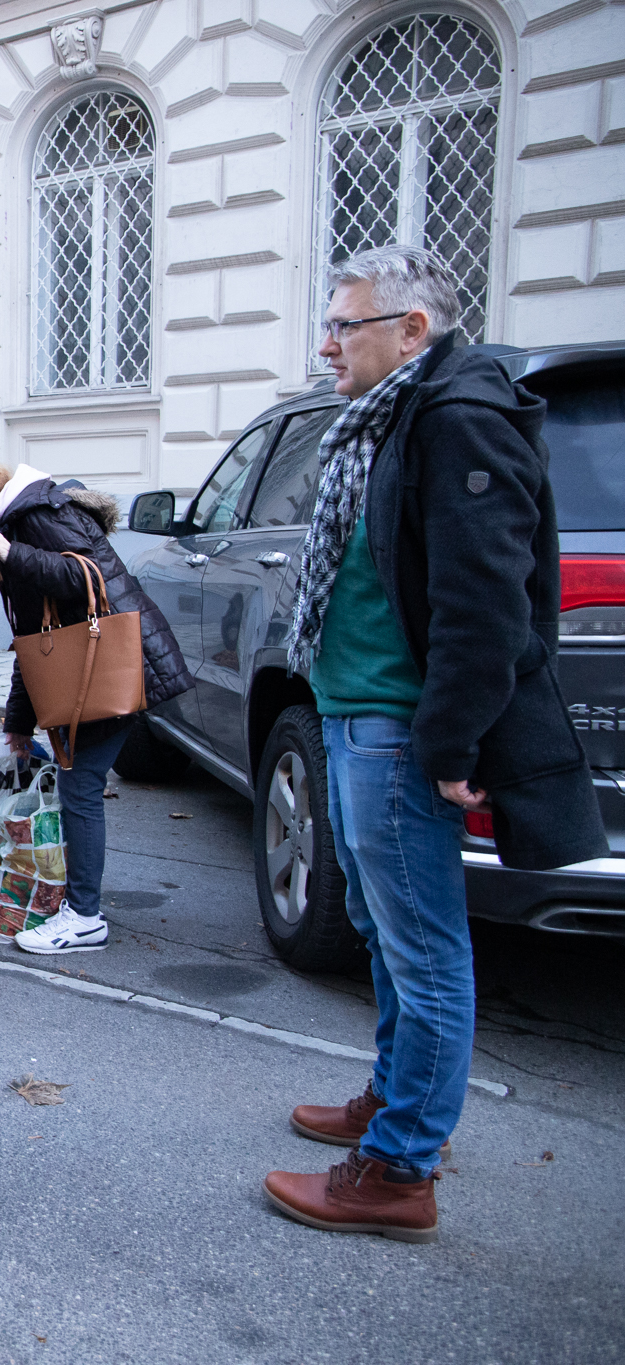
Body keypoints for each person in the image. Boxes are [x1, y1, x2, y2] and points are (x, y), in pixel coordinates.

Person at [263, 245, 605, 1242]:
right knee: (378, 926)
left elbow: (483, 606)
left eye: (342, 325)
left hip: (398, 725)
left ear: (410, 331)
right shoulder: (390, 414)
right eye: (325, 324)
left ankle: (400, 1168)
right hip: (349, 708)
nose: (324, 344)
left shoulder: (457, 415)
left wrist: (450, 743)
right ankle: (393, 1098)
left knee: (422, 945)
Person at [0, 461, 193, 954]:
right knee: (81, 786)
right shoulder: (30, 516)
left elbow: (80, 574)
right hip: (96, 671)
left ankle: (85, 916)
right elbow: (35, 640)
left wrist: (13, 553)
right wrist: (17, 722)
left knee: (82, 790)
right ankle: (79, 905)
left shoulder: (34, 516)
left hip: (112, 668)